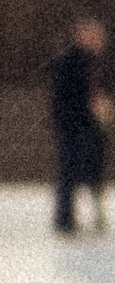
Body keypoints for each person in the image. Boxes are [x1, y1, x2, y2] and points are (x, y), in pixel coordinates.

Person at [48, 13, 109, 234]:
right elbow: (67, 96)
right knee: (70, 170)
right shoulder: (71, 61)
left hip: (86, 126)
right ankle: (65, 219)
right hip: (74, 126)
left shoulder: (90, 62)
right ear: (82, 35)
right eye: (95, 36)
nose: (100, 41)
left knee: (89, 170)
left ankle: (81, 217)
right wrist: (91, 107)